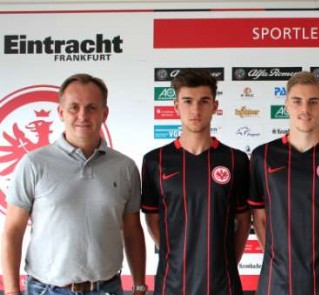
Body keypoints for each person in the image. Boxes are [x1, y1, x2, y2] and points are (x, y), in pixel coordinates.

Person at [1, 73, 146, 295]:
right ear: (61, 112)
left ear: (104, 113)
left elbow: (133, 230)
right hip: (46, 290)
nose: (82, 115)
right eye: (74, 107)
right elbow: (13, 230)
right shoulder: (33, 164)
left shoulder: (125, 167)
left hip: (107, 289)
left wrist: (138, 285)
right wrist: (11, 290)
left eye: (91, 108)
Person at [248, 71, 319, 295]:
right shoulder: (263, 156)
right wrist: (280, 259)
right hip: (277, 281)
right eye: (297, 101)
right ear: (286, 105)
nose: (305, 109)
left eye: (313, 101)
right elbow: (259, 218)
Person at [141, 69, 251, 294]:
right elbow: (151, 217)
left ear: (215, 106)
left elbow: (243, 219)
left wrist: (227, 261)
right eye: (188, 101)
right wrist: (177, 255)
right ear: (175, 106)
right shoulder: (155, 160)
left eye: (204, 101)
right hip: (172, 282)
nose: (195, 110)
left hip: (223, 283)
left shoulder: (235, 160)